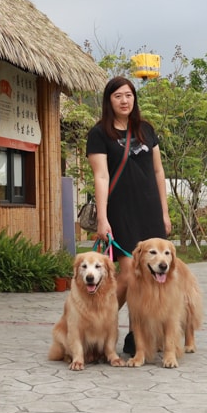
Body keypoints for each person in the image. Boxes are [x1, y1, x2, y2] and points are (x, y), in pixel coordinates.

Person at [86, 76, 172, 355]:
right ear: (109, 100)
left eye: (129, 95)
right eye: (118, 96)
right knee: (127, 276)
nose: (124, 100)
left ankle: (137, 336)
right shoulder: (99, 133)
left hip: (149, 211)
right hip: (120, 210)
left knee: (149, 276)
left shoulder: (146, 129)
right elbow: (101, 176)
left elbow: (158, 172)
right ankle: (98, 327)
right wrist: (102, 218)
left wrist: (165, 212)